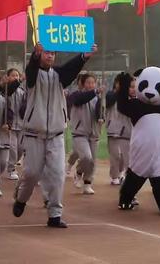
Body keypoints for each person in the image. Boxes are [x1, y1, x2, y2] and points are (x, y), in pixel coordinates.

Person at [13, 42, 97, 228]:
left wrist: (84, 56)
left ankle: (55, 215)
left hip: (56, 134)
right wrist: (35, 55)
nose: (50, 56)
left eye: (53, 53)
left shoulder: (59, 75)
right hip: (34, 134)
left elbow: (70, 70)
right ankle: (21, 199)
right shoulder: (32, 76)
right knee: (32, 173)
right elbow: (32, 68)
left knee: (58, 174)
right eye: (47, 53)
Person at [67, 74, 104, 195]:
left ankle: (87, 183)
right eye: (88, 82)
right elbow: (81, 99)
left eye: (93, 83)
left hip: (93, 134)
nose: (91, 85)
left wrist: (101, 118)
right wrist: (95, 91)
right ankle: (78, 172)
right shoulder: (76, 95)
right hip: (79, 133)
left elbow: (99, 112)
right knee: (86, 158)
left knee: (92, 161)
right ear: (82, 83)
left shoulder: (97, 98)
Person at [106, 75, 132, 186]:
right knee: (115, 155)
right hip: (113, 129)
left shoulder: (129, 97)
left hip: (126, 131)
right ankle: (114, 176)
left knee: (124, 156)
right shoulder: (111, 95)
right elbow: (107, 101)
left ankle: (121, 172)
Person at [6, 68, 25, 181]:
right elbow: (9, 92)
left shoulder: (22, 92)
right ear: (8, 77)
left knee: (21, 148)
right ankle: (11, 169)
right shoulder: (6, 90)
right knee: (12, 148)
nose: (16, 77)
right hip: (10, 124)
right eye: (13, 75)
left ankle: (13, 163)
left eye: (17, 75)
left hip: (21, 124)